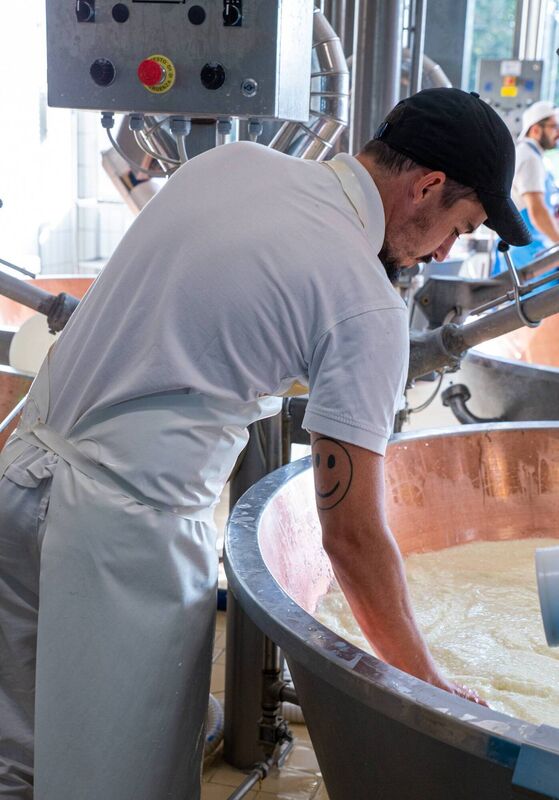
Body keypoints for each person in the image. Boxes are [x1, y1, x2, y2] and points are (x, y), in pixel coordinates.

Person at [0, 88, 530, 800]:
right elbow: (352, 538)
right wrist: (428, 687)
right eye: (456, 230)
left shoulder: (233, 163)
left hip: (17, 482)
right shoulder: (363, 303)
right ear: (426, 187)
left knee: (14, 763)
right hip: (119, 541)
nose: (441, 253)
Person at [493, 99, 559, 273]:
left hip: (527, 247)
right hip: (526, 252)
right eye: (554, 127)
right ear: (536, 129)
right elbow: (537, 210)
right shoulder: (530, 158)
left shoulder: (530, 154)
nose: (558, 133)